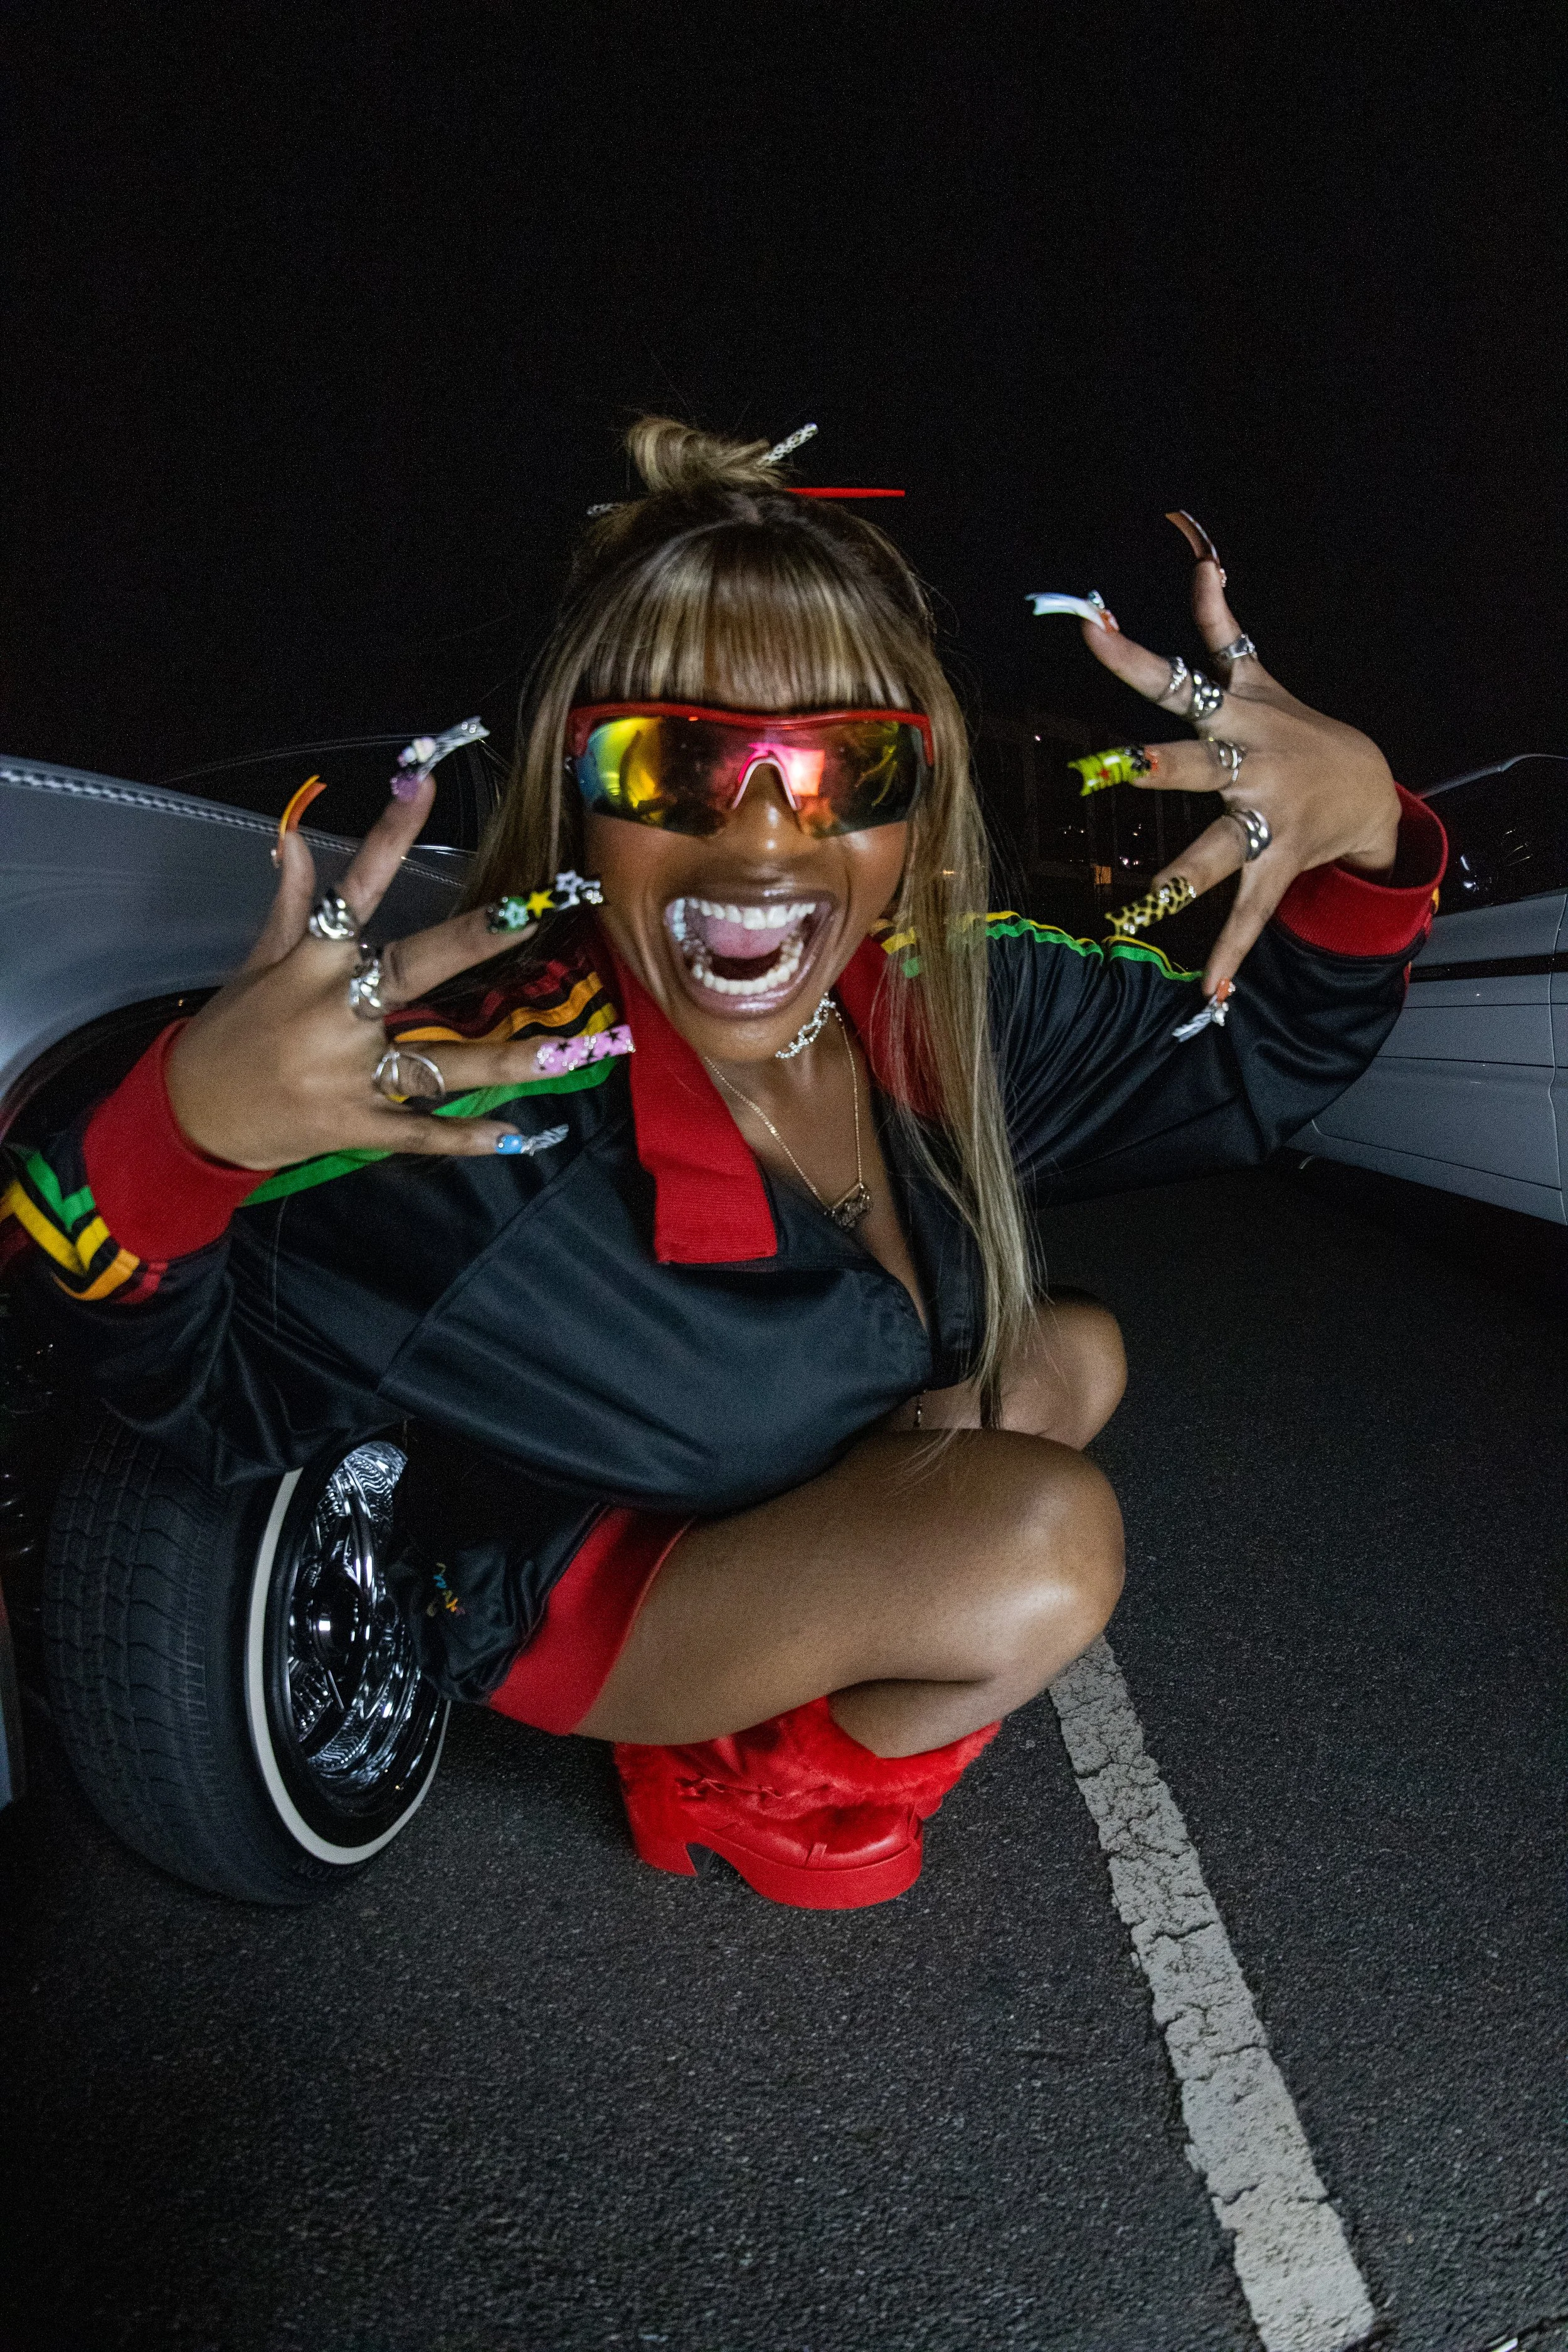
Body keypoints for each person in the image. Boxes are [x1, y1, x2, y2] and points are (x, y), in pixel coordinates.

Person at [6, 418, 1446, 1910]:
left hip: (772, 1481)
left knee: (1070, 1352)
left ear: (914, 805)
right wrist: (185, 1131)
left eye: (847, 768)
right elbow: (176, 1386)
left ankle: (775, 1730)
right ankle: (709, 1770)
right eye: (674, 762)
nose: (763, 840)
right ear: (579, 790)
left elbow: (1256, 1070)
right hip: (582, 1592)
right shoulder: (502, 1102)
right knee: (1043, 1545)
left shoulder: (949, 1002)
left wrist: (1366, 831)